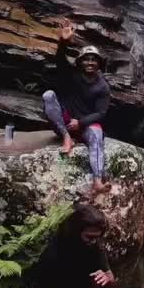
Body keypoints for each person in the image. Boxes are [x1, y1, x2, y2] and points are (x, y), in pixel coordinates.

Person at [42, 20, 111, 196]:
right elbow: (59, 60)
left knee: (97, 134)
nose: (89, 62)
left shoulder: (103, 86)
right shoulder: (72, 74)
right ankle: (66, 138)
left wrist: (81, 122)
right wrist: (63, 42)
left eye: (93, 60)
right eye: (86, 59)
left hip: (84, 125)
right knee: (48, 95)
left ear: (99, 64)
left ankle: (97, 181)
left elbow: (101, 113)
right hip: (65, 122)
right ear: (80, 62)